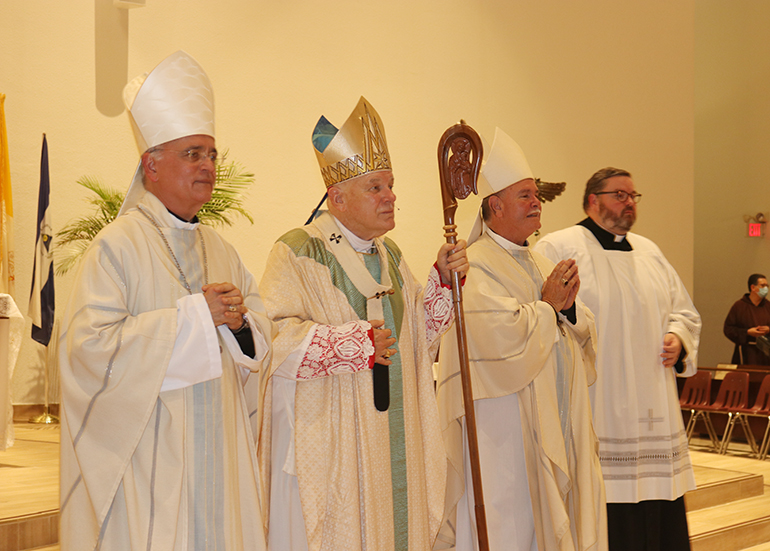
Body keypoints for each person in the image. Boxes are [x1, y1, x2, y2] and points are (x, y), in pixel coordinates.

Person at [59, 51, 275, 550]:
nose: (207, 166)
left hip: (218, 455)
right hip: (150, 460)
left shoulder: (221, 248)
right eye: (192, 153)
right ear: (150, 164)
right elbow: (88, 352)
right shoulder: (116, 246)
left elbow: (261, 334)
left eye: (212, 154)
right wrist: (198, 316)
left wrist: (241, 325)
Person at [258, 96, 468, 551]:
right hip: (338, 444)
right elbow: (272, 338)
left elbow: (417, 339)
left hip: (394, 435)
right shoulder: (299, 250)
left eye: (390, 185)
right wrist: (352, 343)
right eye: (376, 187)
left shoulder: (390, 255)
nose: (391, 196)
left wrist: (442, 281)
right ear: (337, 197)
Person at [435, 128, 607, 551]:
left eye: (536, 196)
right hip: (504, 432)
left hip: (556, 420)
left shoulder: (539, 258)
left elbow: (579, 324)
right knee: (511, 524)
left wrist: (565, 310)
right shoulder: (474, 266)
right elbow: (500, 337)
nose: (536, 204)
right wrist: (549, 308)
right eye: (526, 196)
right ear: (495, 205)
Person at [534, 167, 701, 551]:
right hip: (599, 399)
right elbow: (545, 313)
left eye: (633, 196)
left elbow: (684, 312)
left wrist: (679, 338)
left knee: (660, 501)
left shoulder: (650, 252)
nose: (629, 203)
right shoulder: (560, 248)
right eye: (619, 195)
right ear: (593, 200)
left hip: (653, 403)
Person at [724, 273, 770, 365]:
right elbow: (728, 329)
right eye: (762, 285)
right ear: (753, 287)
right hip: (746, 352)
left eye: (767, 286)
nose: (766, 289)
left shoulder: (768, 306)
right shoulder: (739, 306)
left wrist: (769, 329)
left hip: (766, 354)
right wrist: (747, 332)